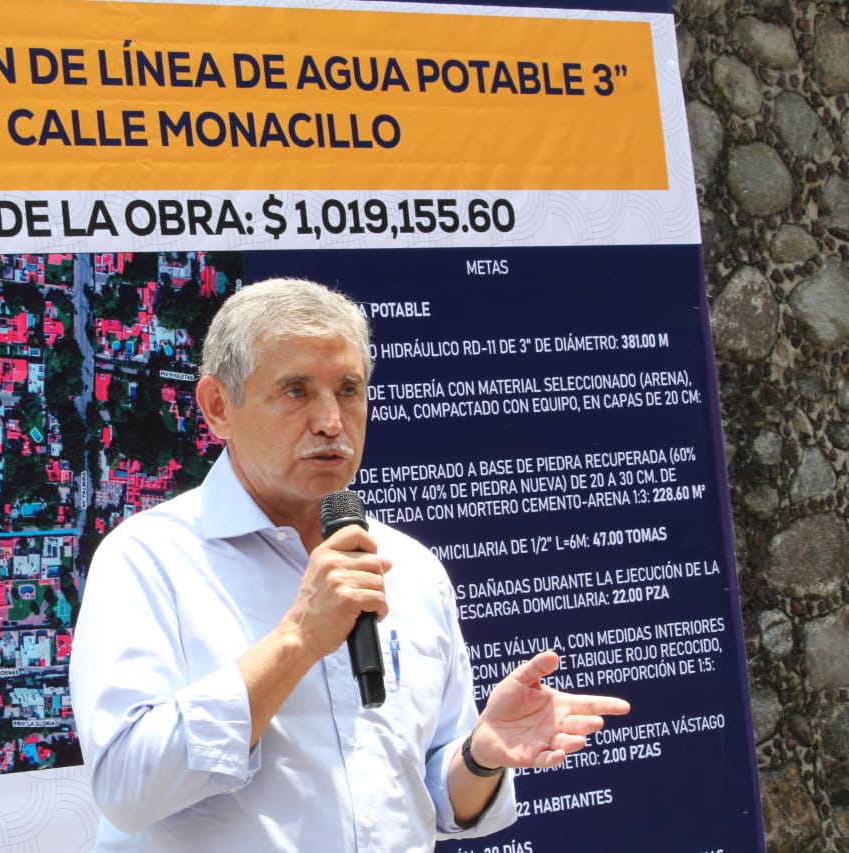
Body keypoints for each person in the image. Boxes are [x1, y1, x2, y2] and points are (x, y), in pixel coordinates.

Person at [69, 277, 630, 852]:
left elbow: (432, 800)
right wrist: (297, 640)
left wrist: (481, 756)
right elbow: (127, 789)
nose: (331, 421)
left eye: (349, 390)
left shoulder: (411, 566)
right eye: (296, 391)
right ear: (219, 408)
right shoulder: (147, 560)